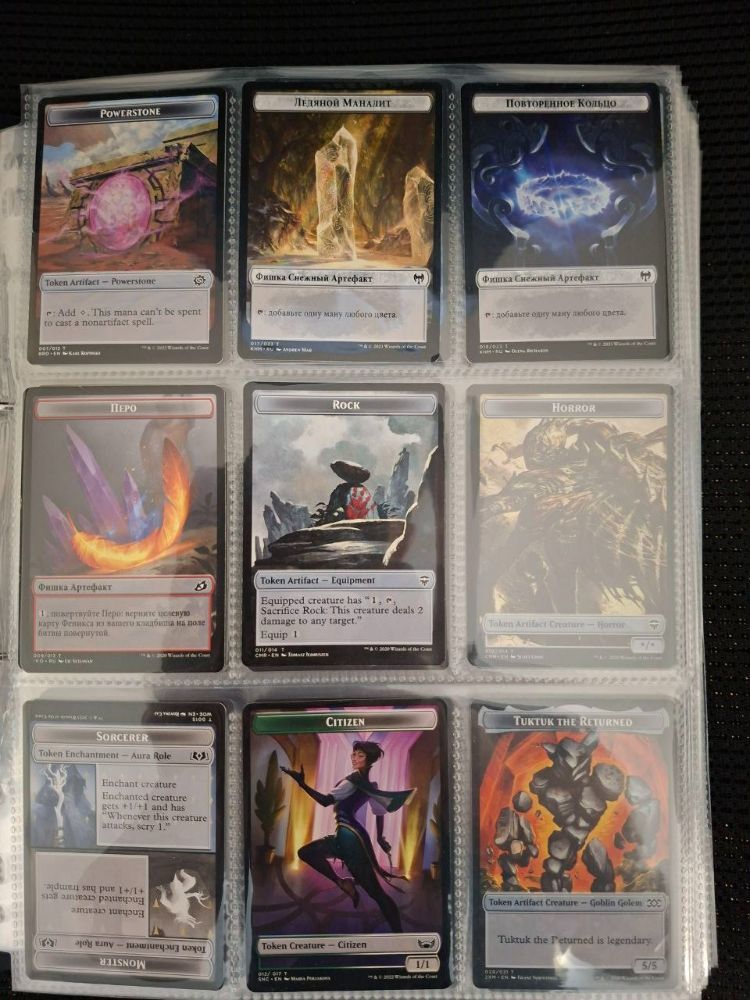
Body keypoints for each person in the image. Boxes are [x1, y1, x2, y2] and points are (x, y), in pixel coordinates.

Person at [282, 740, 413, 932]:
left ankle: (399, 935)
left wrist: (302, 784)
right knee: (306, 852)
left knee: (376, 893)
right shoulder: (370, 786)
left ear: (369, 760)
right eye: (354, 754)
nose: (354, 757)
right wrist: (379, 838)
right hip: (348, 834)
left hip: (349, 838)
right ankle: (343, 883)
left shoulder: (351, 781)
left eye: (360, 755)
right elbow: (379, 812)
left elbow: (325, 801)